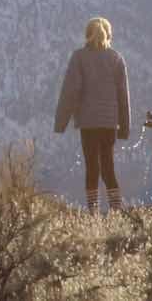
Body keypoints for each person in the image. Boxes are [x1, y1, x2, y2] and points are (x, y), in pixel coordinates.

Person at [54, 16, 131, 213]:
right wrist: (124, 127)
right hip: (109, 123)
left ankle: (93, 213)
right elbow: (123, 96)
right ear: (109, 35)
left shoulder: (79, 58)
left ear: (86, 34)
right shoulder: (116, 59)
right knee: (108, 168)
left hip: (88, 123)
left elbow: (70, 91)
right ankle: (116, 211)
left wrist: (61, 122)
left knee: (92, 168)